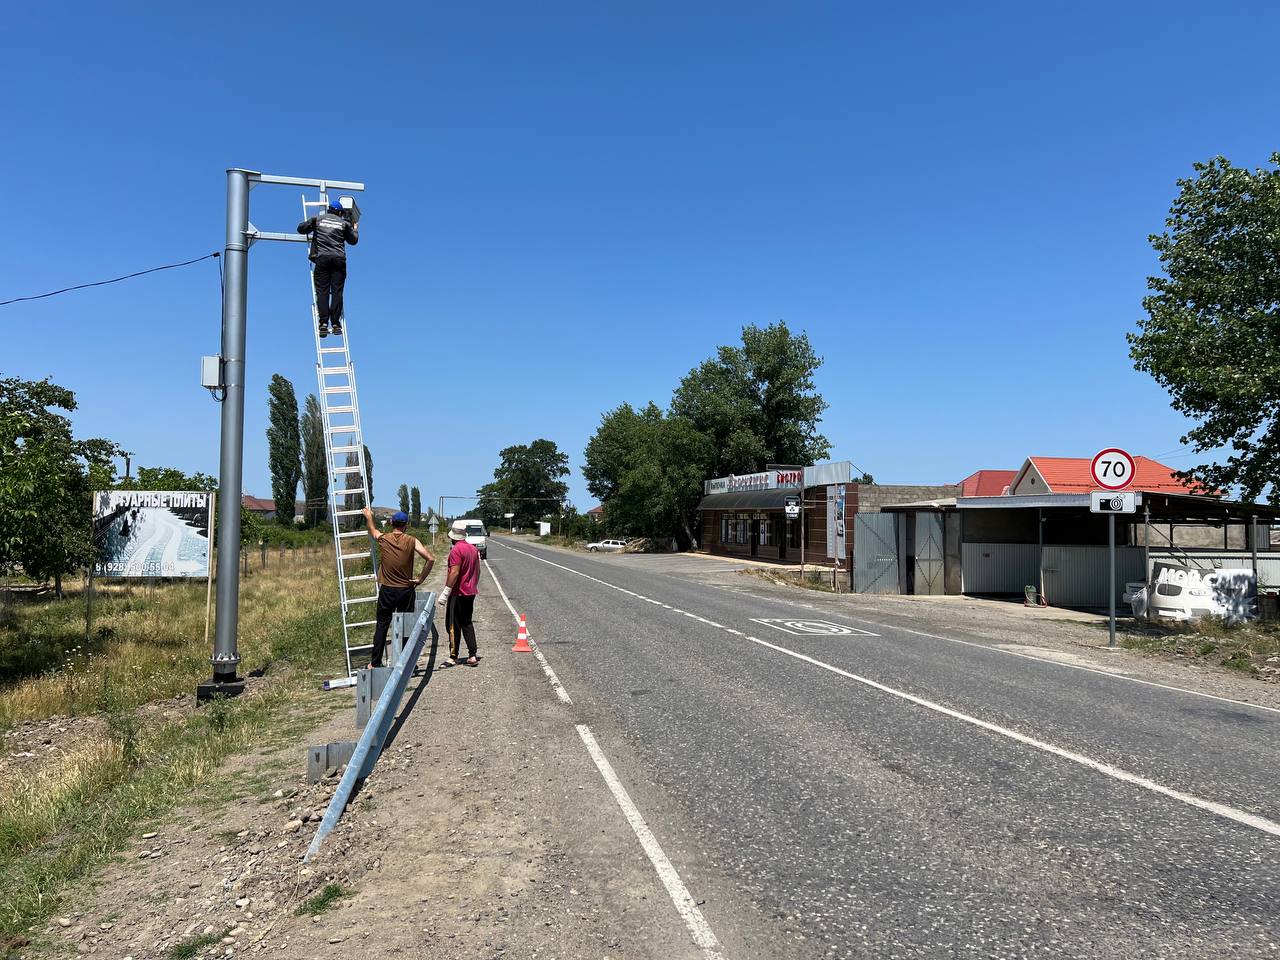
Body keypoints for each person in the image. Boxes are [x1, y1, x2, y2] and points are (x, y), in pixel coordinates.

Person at [362, 507, 434, 668]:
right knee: (405, 627)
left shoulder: (384, 538)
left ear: (391, 523)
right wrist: (420, 579)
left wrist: (369, 516)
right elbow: (430, 559)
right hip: (405, 590)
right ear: (406, 524)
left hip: (387, 589)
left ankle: (375, 662)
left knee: (382, 625)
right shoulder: (412, 540)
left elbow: (373, 531)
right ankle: (406, 661)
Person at [297, 199, 359, 338]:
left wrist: (311, 222)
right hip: (338, 259)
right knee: (337, 291)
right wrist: (355, 229)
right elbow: (353, 241)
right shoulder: (344, 224)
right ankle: (336, 323)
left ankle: (323, 323)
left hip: (322, 259)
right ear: (339, 212)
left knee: (322, 292)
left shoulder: (318, 220)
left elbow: (301, 229)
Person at [438, 524, 481, 667]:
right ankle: (472, 655)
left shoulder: (456, 550)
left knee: (452, 624)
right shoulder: (473, 549)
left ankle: (453, 656)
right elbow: (478, 570)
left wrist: (446, 592)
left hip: (458, 592)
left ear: (453, 537)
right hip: (470, 592)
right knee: (467, 622)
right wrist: (473, 584)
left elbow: (454, 572)